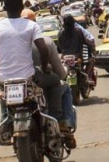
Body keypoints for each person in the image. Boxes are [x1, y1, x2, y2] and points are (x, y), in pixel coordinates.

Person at [0, 0, 52, 133]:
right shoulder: (31, 26)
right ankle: (46, 124)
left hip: (4, 79)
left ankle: (5, 122)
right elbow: (43, 49)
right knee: (41, 99)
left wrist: (0, 70)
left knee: (5, 102)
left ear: (5, 8)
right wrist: (45, 66)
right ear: (22, 7)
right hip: (28, 77)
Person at [21, 10, 77, 148]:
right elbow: (60, 72)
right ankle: (65, 125)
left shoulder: (13, 43)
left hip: (19, 84)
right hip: (39, 81)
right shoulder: (45, 41)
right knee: (63, 86)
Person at [59, 15, 96, 84]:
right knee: (91, 60)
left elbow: (60, 45)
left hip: (64, 56)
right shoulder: (78, 31)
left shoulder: (60, 33)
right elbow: (85, 42)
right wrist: (92, 49)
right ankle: (87, 78)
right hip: (78, 56)